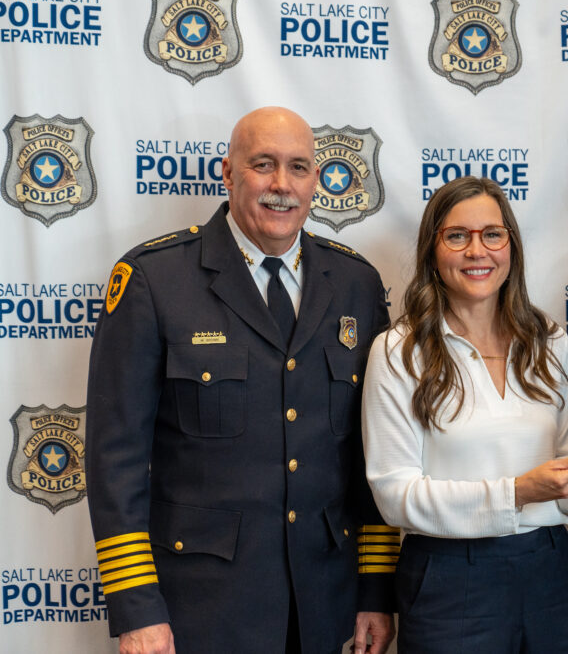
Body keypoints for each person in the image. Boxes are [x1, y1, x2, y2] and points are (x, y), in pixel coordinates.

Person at [85, 107, 398, 654]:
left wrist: (375, 589)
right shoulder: (154, 280)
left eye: (299, 167)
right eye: (263, 165)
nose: (282, 185)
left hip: (326, 603)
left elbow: (374, 454)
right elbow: (116, 460)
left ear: (316, 182)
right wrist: (137, 608)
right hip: (201, 607)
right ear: (228, 173)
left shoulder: (355, 284)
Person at [361, 176, 568, 653]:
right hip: (448, 578)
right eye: (457, 236)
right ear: (432, 250)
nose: (477, 251)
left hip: (549, 569)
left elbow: (560, 461)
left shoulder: (546, 337)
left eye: (492, 234)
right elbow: (394, 495)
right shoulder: (397, 351)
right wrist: (518, 492)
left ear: (511, 245)